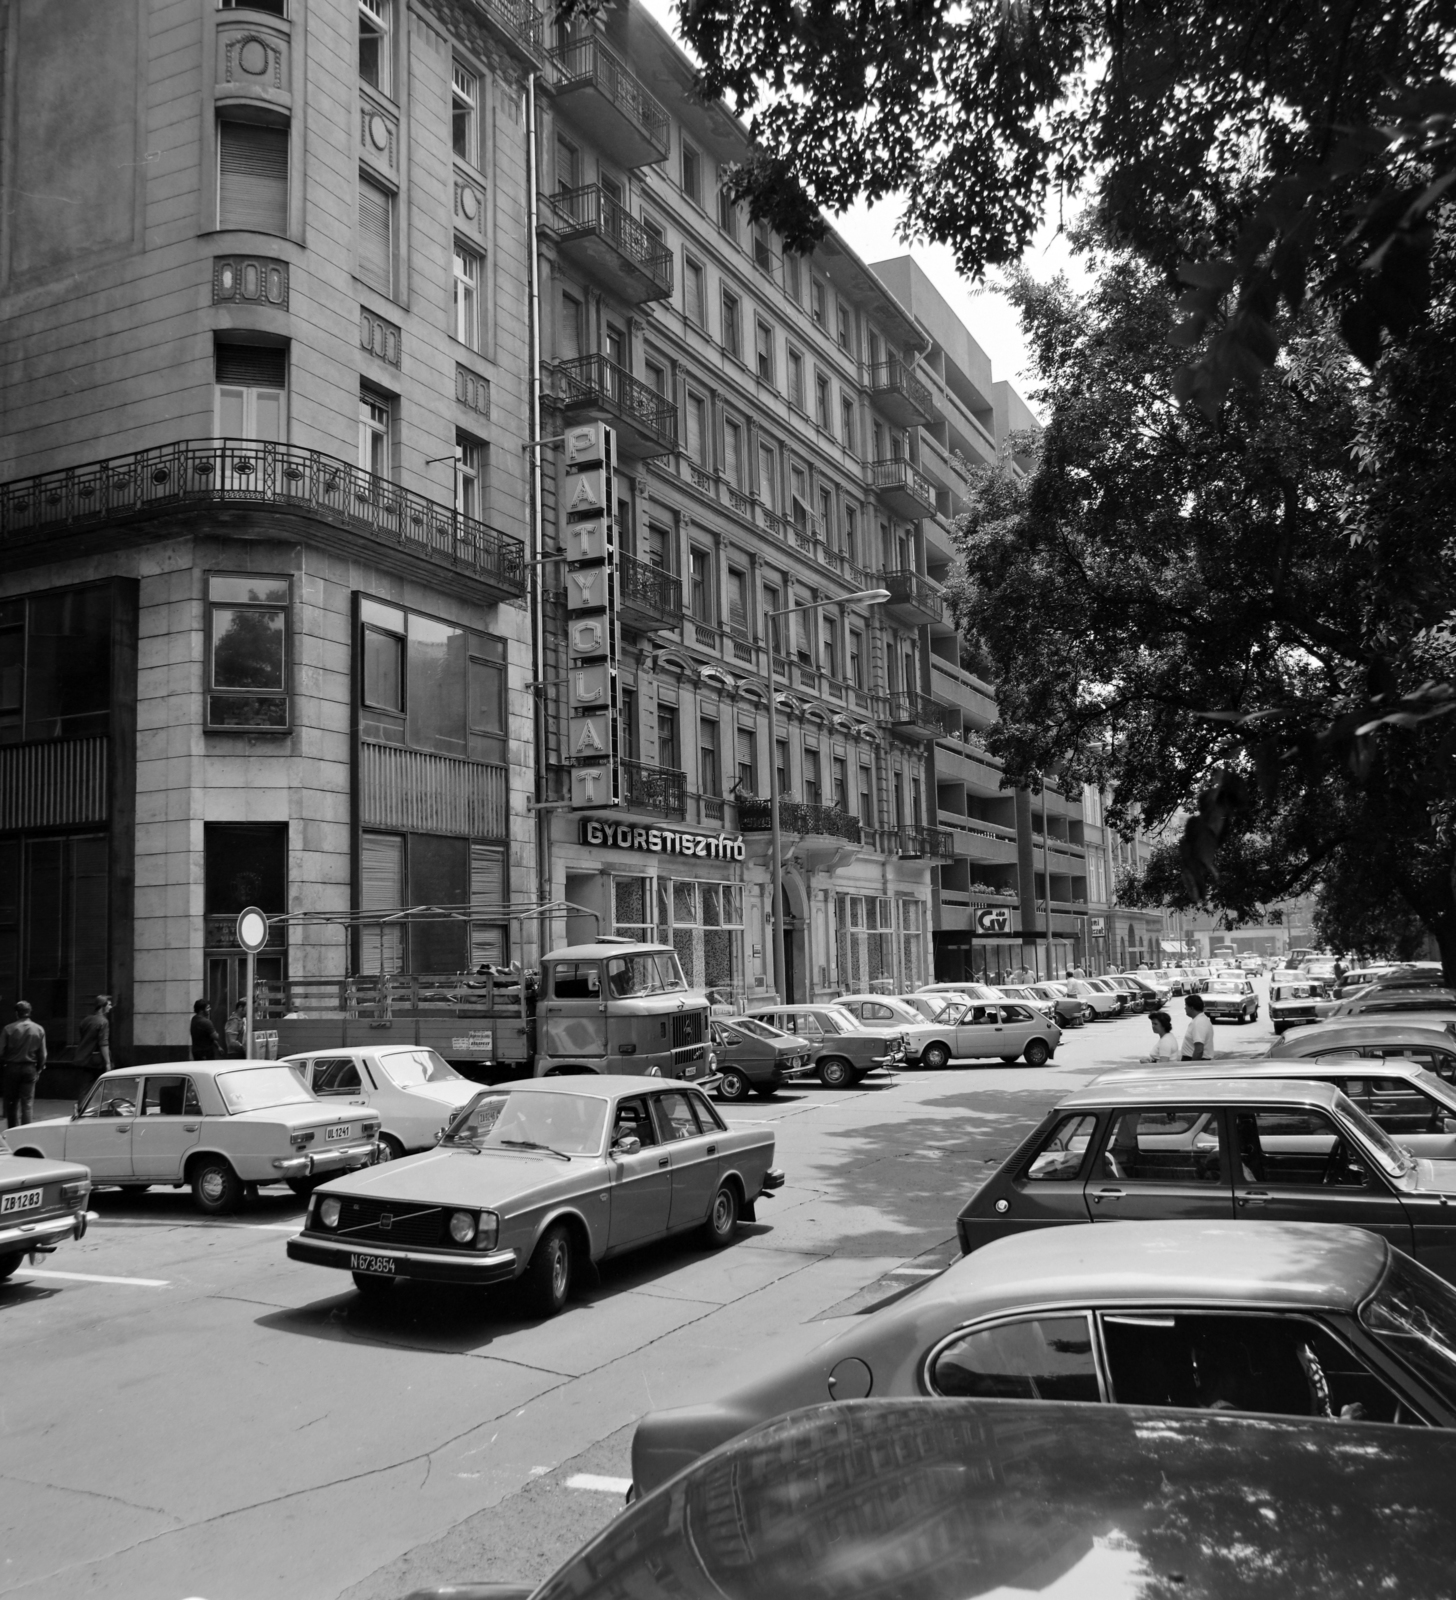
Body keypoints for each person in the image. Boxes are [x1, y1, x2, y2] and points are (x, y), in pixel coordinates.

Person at [1, 1000, 47, 1128]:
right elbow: (43, 1054)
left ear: (17, 1013)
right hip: (29, 1068)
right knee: (27, 1104)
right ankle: (25, 1133)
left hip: (11, 1068)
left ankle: (12, 1132)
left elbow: (1, 1051)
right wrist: (38, 1069)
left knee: (12, 1103)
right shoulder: (39, 1029)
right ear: (29, 1013)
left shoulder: (8, 1029)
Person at [74, 994, 113, 1077]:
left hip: (80, 1059)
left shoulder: (86, 1020)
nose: (111, 1007)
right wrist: (108, 1063)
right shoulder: (104, 1022)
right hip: (94, 1062)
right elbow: (103, 1043)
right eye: (109, 1005)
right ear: (103, 1006)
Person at [1182, 993, 1215, 1061]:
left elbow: (1199, 1049)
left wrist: (1193, 1066)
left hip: (1194, 1060)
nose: (1185, 1008)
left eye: (1186, 1005)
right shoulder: (1199, 1020)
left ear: (1191, 1008)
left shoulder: (1199, 1023)